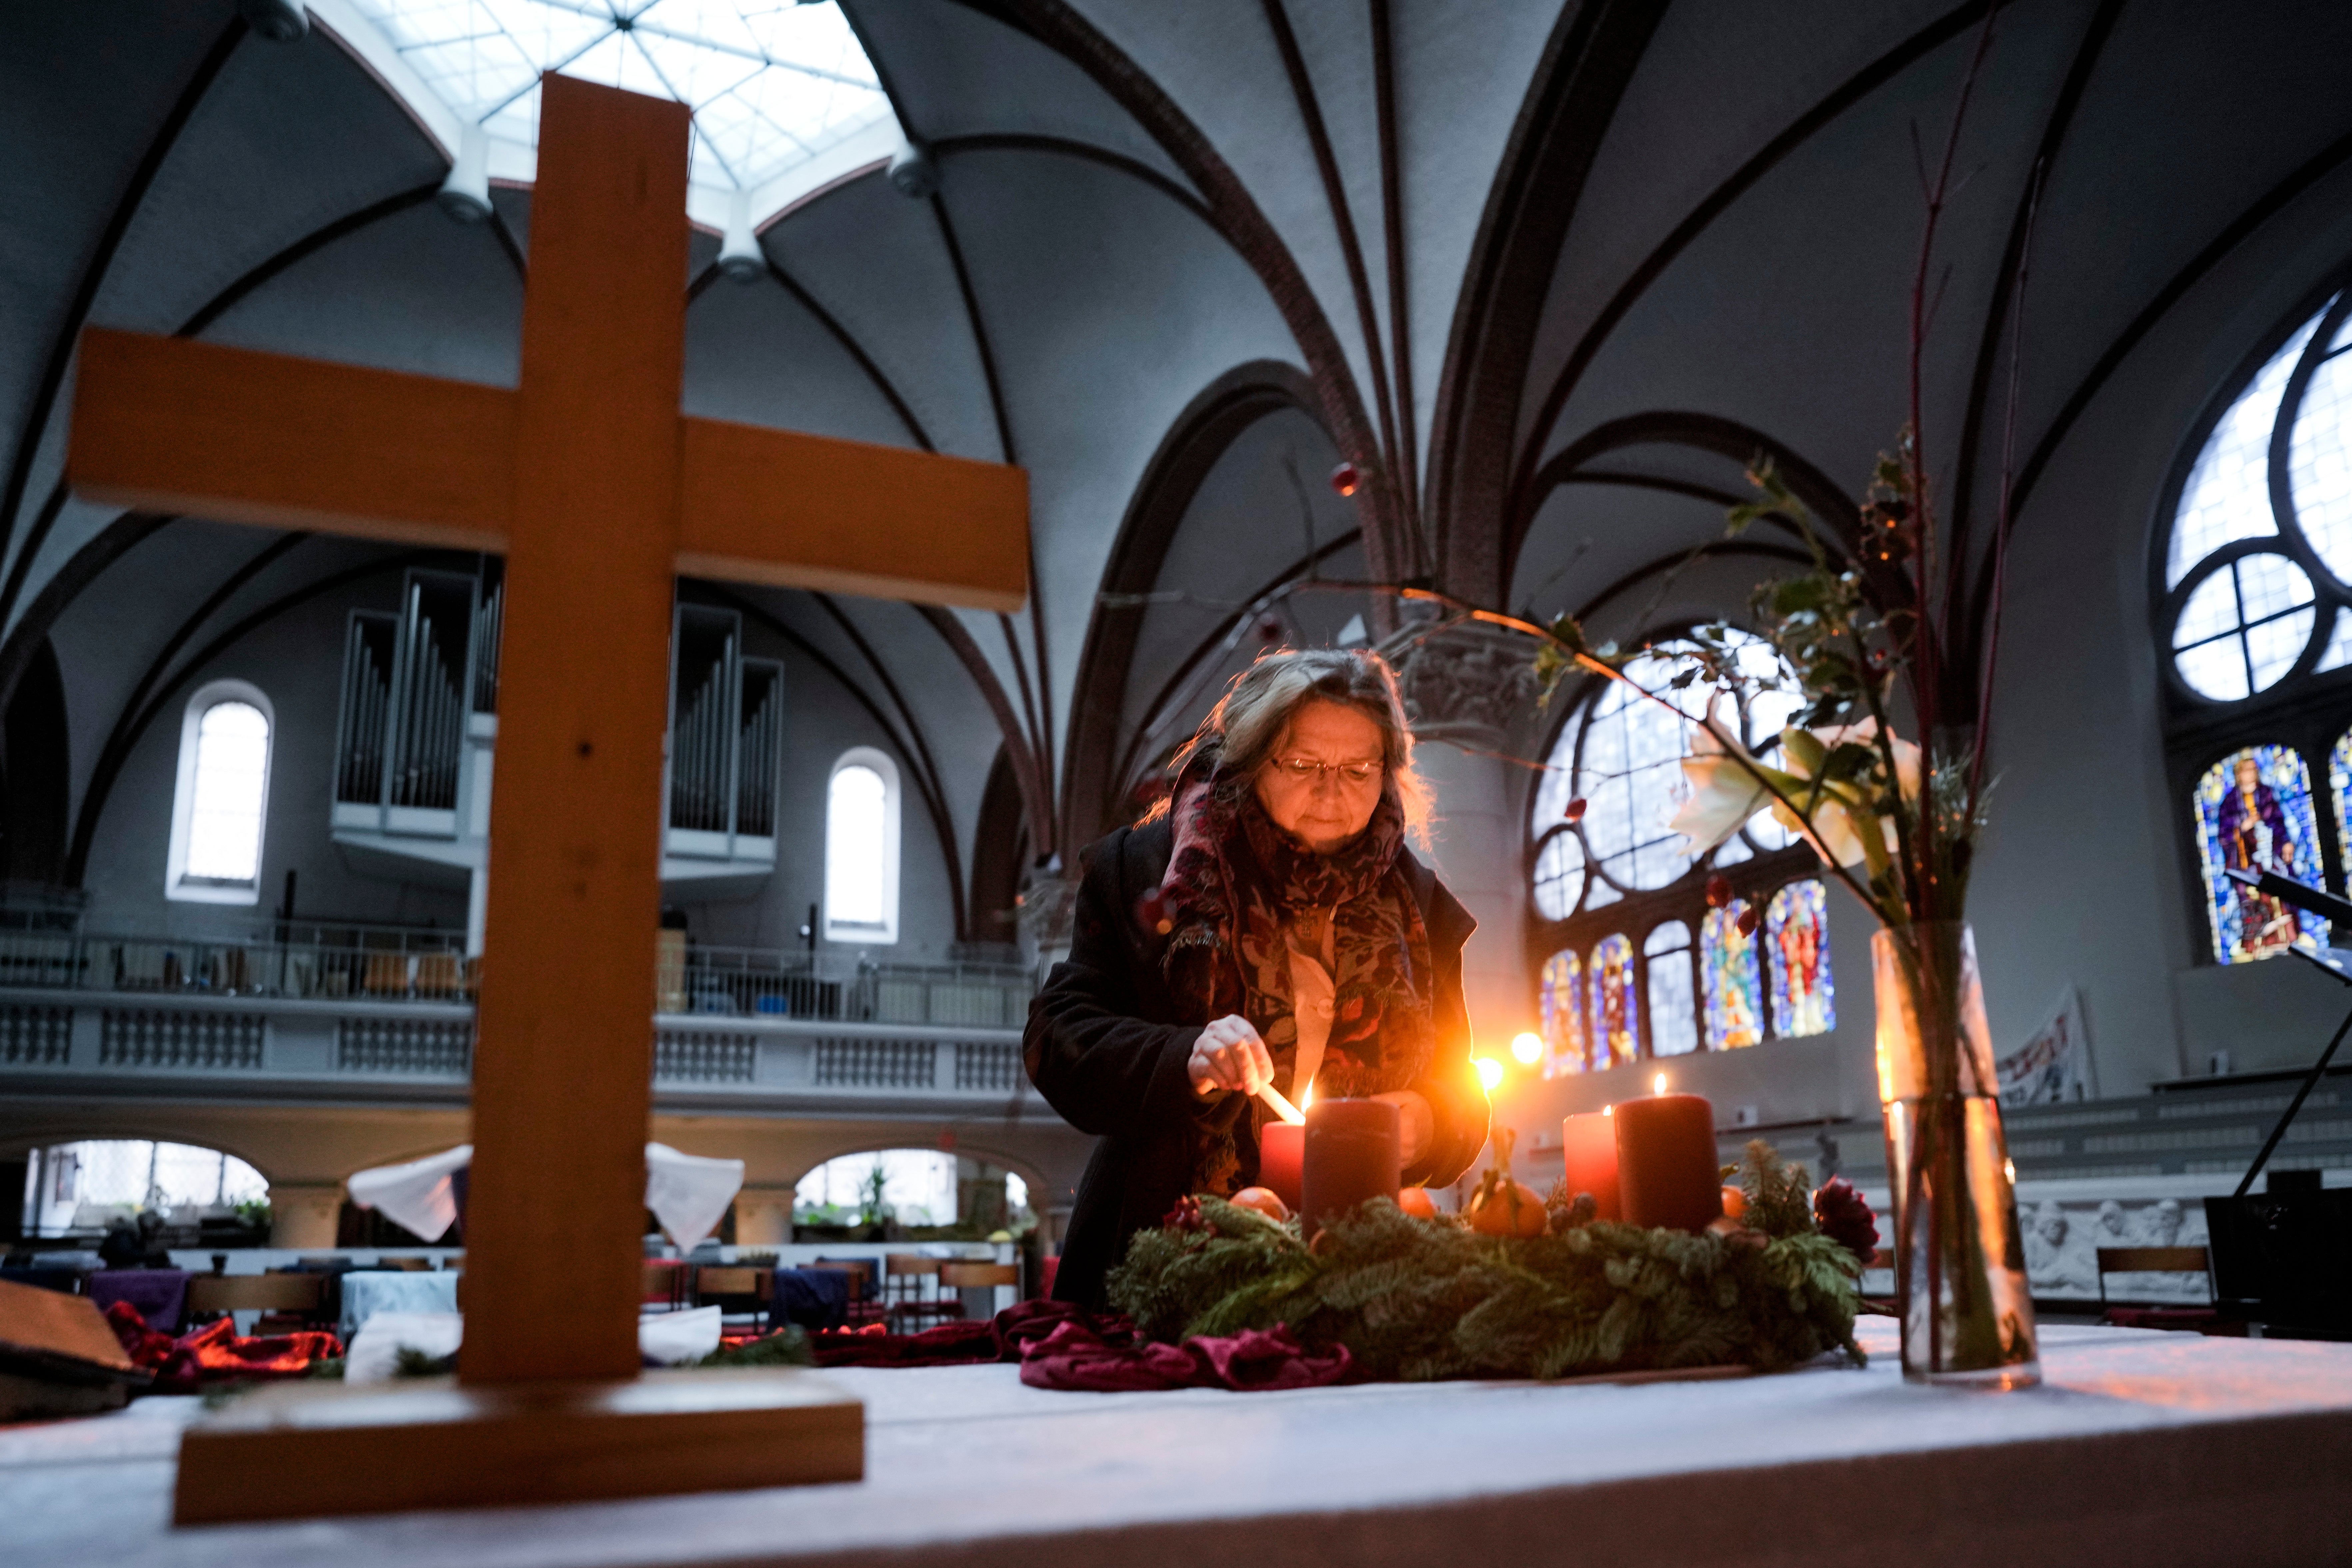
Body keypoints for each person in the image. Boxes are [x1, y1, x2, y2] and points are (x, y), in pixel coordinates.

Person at [1026, 647, 1488, 1308]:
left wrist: (1430, 1120)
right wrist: (1182, 1056)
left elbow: (1462, 1090)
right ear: (1248, 756)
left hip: (1359, 1275)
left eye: (1359, 769)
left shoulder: (1420, 908)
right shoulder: (1149, 871)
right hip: (1162, 1258)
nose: (1333, 792)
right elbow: (1058, 1036)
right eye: (1303, 765)